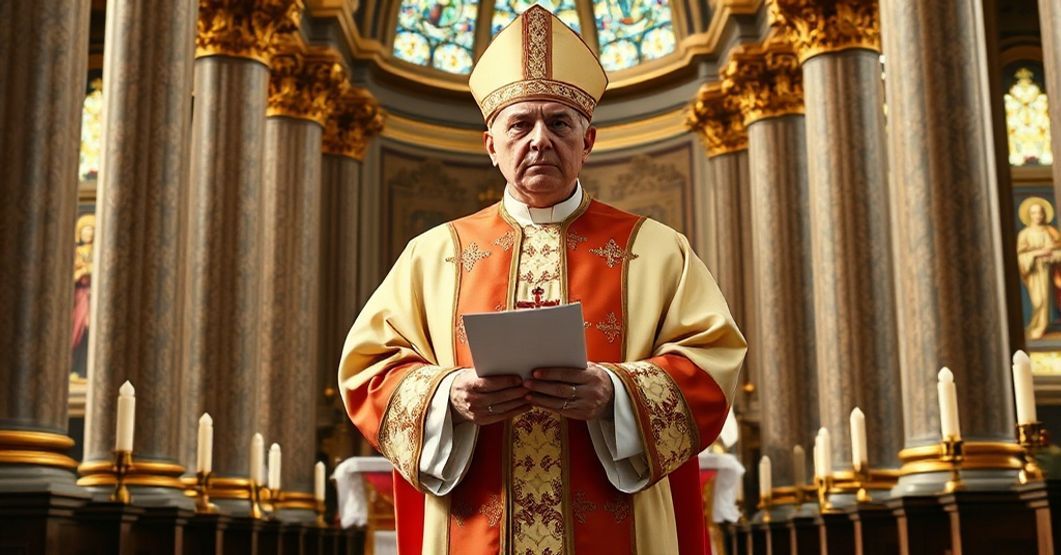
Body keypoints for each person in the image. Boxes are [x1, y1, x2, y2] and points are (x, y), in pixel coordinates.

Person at [338, 7, 746, 554]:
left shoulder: (655, 249)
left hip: (613, 522)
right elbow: (368, 370)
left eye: (559, 123)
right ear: (491, 146)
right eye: (520, 124)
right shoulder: (433, 254)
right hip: (476, 522)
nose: (539, 140)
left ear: (589, 140)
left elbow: (711, 362)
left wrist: (616, 393)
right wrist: (446, 395)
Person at [1017, 197, 1061, 339]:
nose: (1038, 216)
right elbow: (1020, 255)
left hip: (1049, 271)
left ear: (1045, 214)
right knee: (1038, 301)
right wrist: (1037, 253)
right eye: (1034, 213)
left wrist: (1052, 256)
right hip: (1034, 272)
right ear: (1029, 216)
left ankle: (1043, 327)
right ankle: (1036, 327)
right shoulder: (1024, 234)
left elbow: (1058, 250)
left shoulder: (1050, 232)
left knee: (1047, 300)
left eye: (1040, 213)